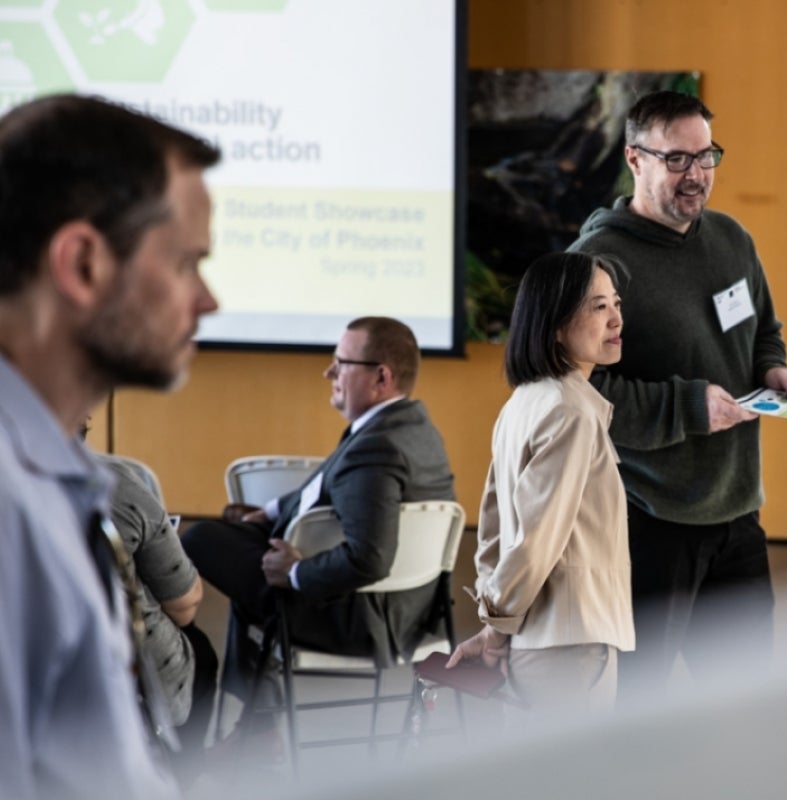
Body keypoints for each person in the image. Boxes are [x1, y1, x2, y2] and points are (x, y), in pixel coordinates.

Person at [568, 91, 787, 701]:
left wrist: (773, 371)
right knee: (646, 708)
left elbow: (763, 329)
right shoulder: (598, 265)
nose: (697, 175)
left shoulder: (731, 239)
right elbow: (579, 389)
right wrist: (688, 407)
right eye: (678, 159)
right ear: (635, 159)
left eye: (707, 156)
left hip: (737, 514)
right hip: (650, 521)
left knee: (748, 700)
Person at [0, 93, 220, 798]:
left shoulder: (54, 482)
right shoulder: (10, 510)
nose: (208, 299)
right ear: (84, 264)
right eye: (186, 263)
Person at [182, 316, 456, 733]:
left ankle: (255, 729)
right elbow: (326, 481)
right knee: (245, 565)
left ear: (381, 376)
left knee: (200, 540)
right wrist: (271, 512)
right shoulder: (407, 424)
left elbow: (370, 559)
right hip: (411, 607)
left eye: (341, 362)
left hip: (366, 619)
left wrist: (293, 573)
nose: (329, 372)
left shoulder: (378, 448)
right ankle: (258, 728)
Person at [447, 252, 634, 719]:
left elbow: (492, 531)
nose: (616, 318)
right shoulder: (569, 411)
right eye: (597, 307)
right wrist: (498, 624)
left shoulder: (523, 403)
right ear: (554, 325)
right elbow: (535, 541)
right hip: (570, 646)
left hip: (539, 643)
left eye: (615, 303)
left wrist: (496, 624)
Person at [100, 455, 218, 786]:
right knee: (201, 650)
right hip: (118, 673)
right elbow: (184, 604)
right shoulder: (114, 484)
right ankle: (180, 777)